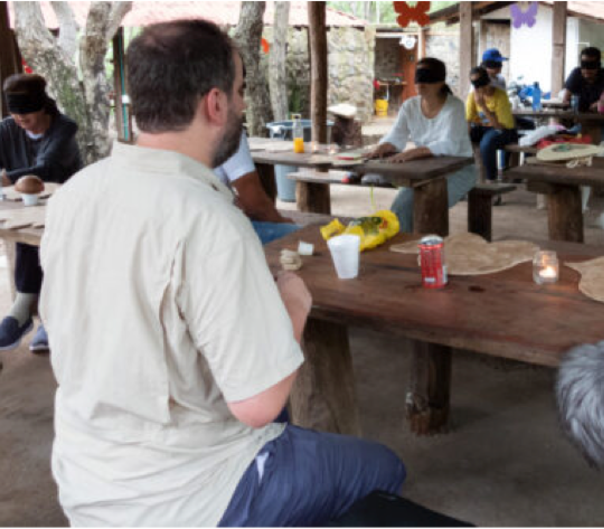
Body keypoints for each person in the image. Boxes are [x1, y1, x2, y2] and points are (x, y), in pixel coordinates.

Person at [39, 19, 405, 527]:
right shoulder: (209, 219)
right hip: (192, 495)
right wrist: (293, 302)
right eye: (239, 91)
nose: (242, 104)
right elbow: (259, 404)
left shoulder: (75, 194)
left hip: (87, 479)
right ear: (215, 103)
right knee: (383, 468)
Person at [0, 73, 81, 352]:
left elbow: (47, 169)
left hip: (69, 209)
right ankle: (25, 311)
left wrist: (3, 179)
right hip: (27, 207)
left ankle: (43, 316)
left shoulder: (64, 129)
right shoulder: (6, 129)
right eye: (15, 114)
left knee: (45, 241)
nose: (20, 120)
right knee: (24, 230)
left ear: (42, 107)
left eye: (26, 114)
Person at [367, 57, 475, 233]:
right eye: (419, 77)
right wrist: (385, 145)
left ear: (440, 82)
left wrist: (416, 152)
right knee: (401, 208)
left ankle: (428, 246)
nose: (421, 83)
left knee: (427, 205)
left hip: (458, 171)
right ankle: (405, 246)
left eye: (428, 78)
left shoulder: (454, 107)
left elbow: (451, 144)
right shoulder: (410, 106)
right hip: (425, 171)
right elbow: (397, 134)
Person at [215, 131, 301, 244]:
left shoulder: (192, 127)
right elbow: (255, 205)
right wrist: (282, 222)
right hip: (220, 232)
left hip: (197, 228)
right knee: (305, 237)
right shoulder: (227, 129)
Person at [466, 67, 517, 182]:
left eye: (481, 84)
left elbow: (499, 126)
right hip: (483, 128)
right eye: (476, 85)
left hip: (503, 129)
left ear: (488, 81)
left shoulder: (500, 95)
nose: (480, 89)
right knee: (460, 137)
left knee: (486, 143)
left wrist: (483, 106)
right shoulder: (472, 96)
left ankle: (491, 179)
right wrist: (465, 138)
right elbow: (468, 120)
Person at [561, 47, 604, 145]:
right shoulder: (576, 73)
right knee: (566, 143)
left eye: (591, 66)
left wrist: (599, 104)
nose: (587, 70)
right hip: (583, 124)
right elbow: (566, 98)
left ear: (598, 65)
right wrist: (566, 105)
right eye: (584, 65)